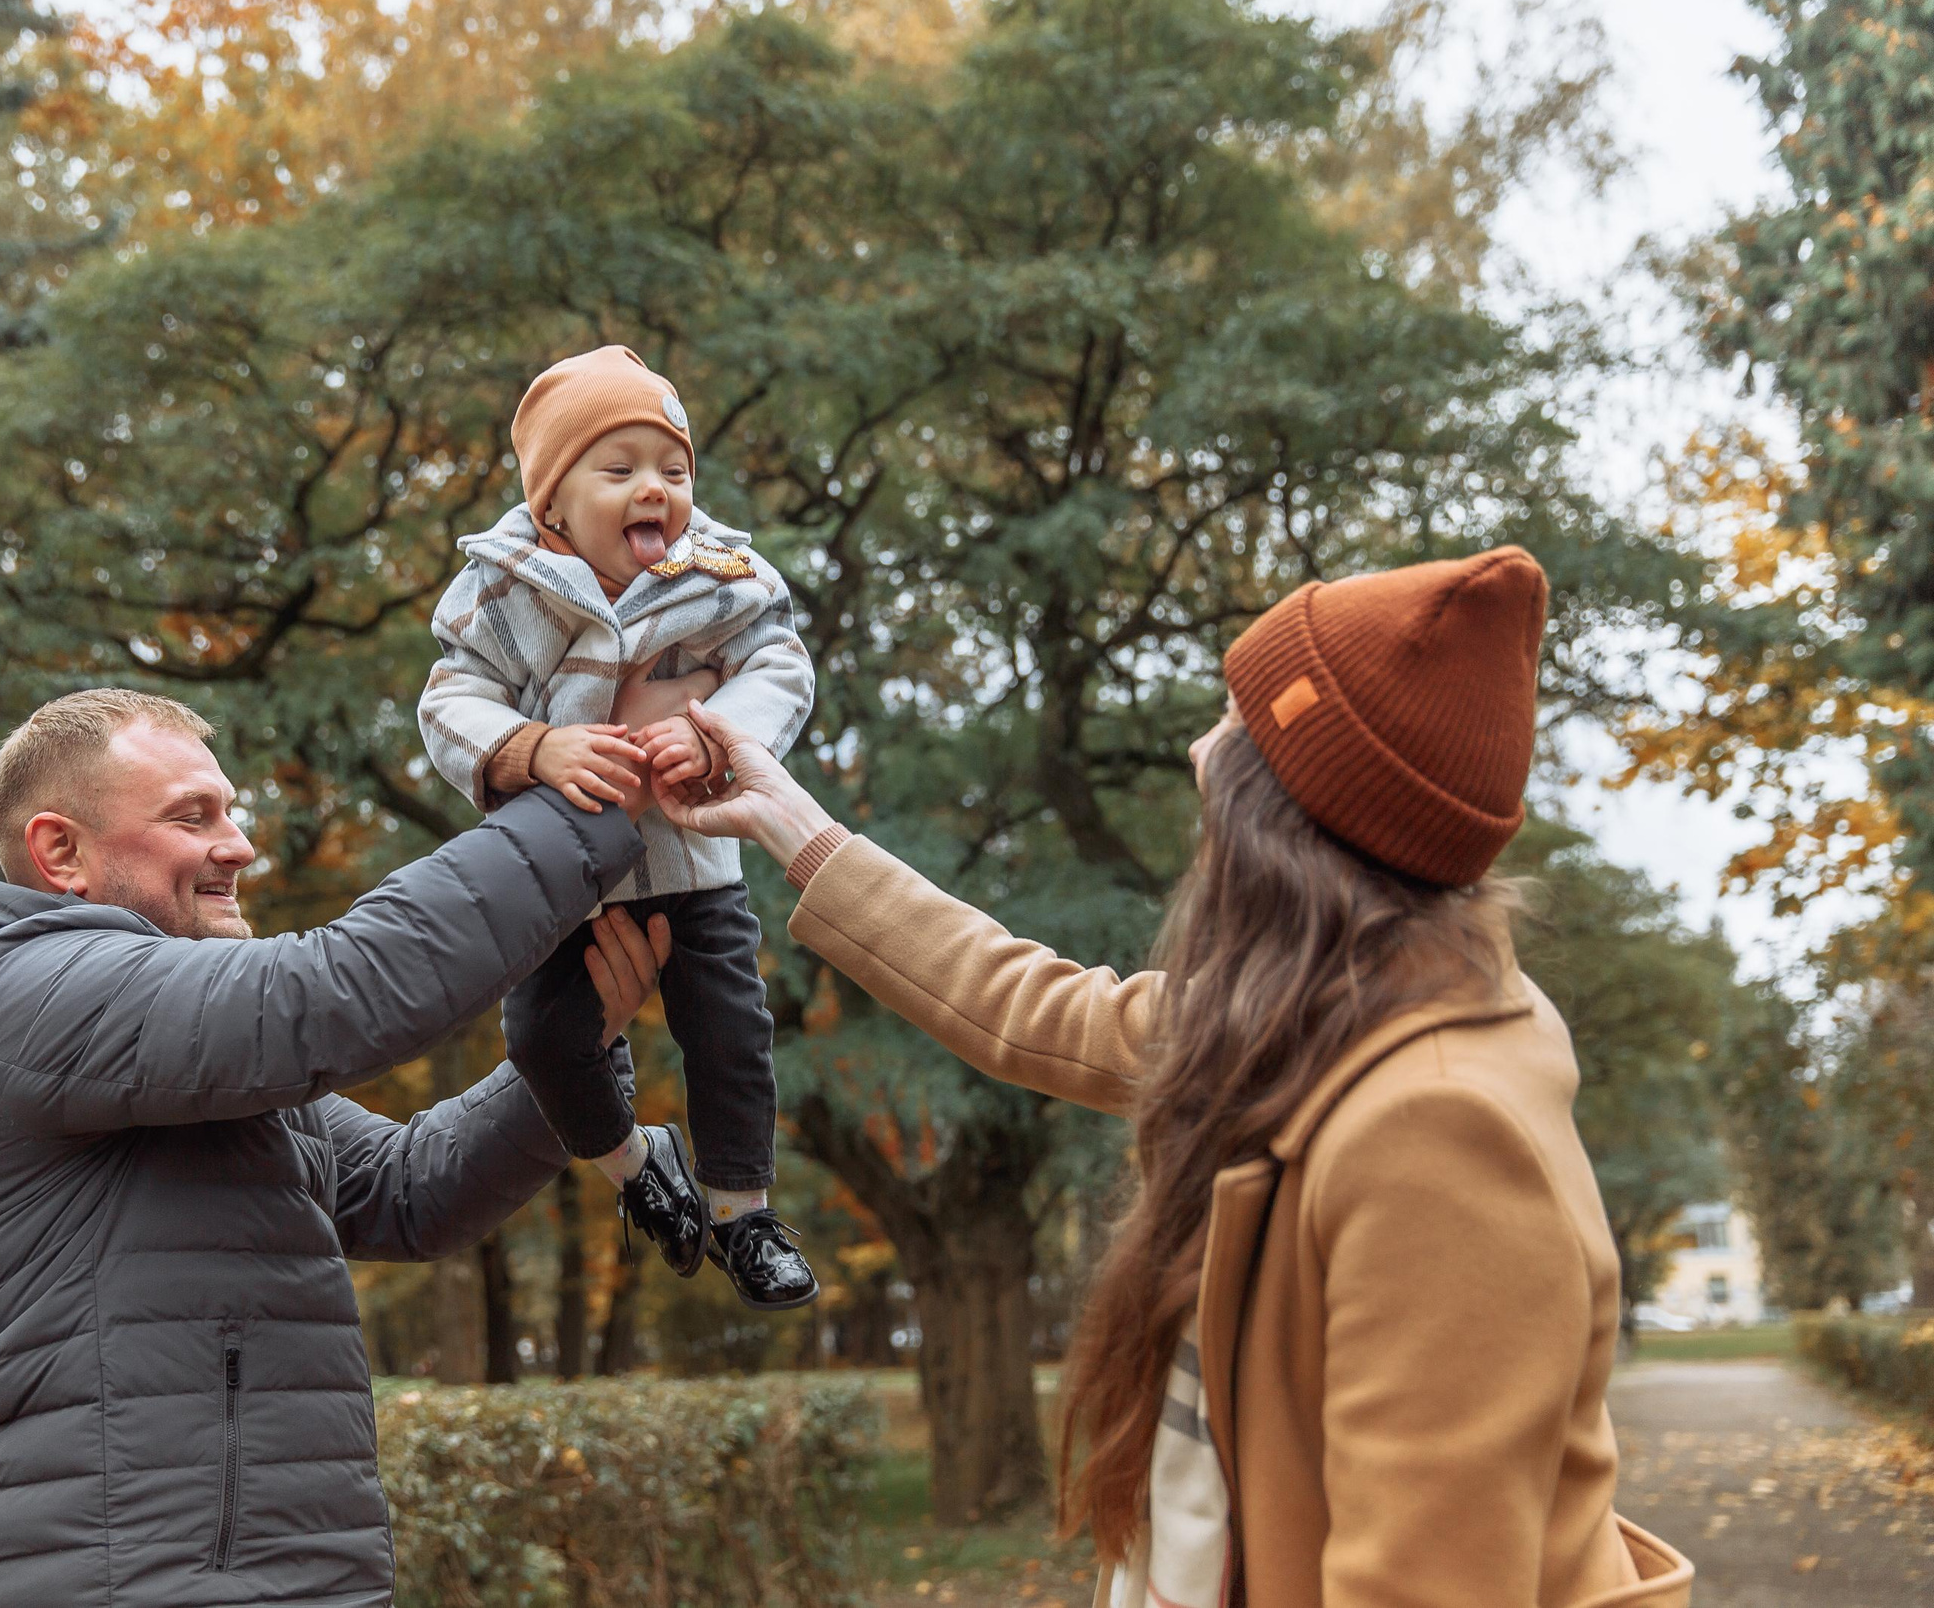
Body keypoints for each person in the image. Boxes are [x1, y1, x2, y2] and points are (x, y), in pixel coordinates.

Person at [656, 548, 1695, 1608]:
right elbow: (1033, 1007)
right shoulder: (1318, 1015)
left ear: (1293, 817)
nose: (1202, 748)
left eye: (1237, 728)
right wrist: (787, 820)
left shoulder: (1438, 1130)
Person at [0, 687, 674, 1608]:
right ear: (60, 851)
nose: (238, 844)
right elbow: (332, 989)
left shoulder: (183, 1062)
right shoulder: (25, 990)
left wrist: (561, 1055)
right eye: (193, 816)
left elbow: (409, 1190)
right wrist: (586, 802)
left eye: (231, 810)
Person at [419, 345, 820, 1310]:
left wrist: (713, 733)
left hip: (690, 860)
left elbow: (781, 665)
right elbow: (449, 699)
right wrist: (529, 748)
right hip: (562, 873)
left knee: (730, 1030)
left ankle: (743, 1211)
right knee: (546, 1039)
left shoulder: (718, 573)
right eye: (621, 468)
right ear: (553, 501)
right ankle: (636, 1166)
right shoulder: (502, 587)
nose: (656, 490)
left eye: (674, 470)